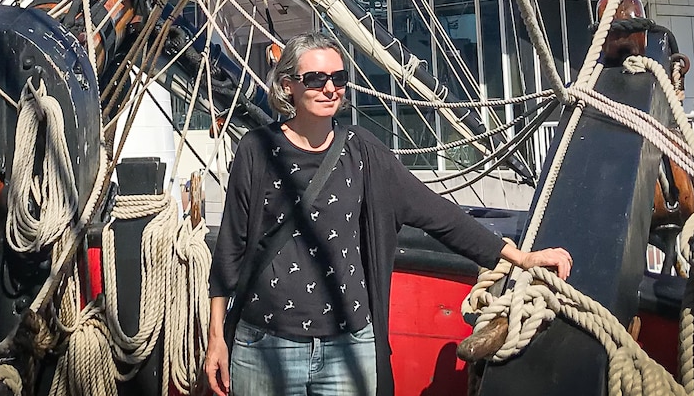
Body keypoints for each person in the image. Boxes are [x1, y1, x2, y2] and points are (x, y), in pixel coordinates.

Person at [205, 32, 572, 396]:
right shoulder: (257, 150)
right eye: (316, 79)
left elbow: (438, 213)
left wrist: (521, 257)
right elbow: (230, 250)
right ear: (288, 86)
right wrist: (216, 338)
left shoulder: (362, 152)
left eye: (339, 78)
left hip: (346, 348)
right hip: (267, 344)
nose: (330, 88)